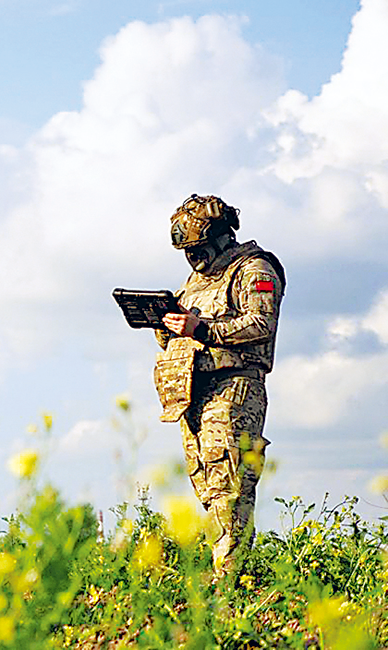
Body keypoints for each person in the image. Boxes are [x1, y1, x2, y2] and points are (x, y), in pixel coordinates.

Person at [153, 194, 285, 576]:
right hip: (192, 393)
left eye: (197, 248)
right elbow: (183, 331)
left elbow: (261, 323)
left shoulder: (253, 268)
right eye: (187, 251)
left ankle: (229, 584)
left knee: (230, 488)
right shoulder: (195, 282)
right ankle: (225, 576)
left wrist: (203, 329)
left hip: (234, 388)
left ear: (220, 236)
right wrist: (167, 327)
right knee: (209, 489)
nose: (193, 258)